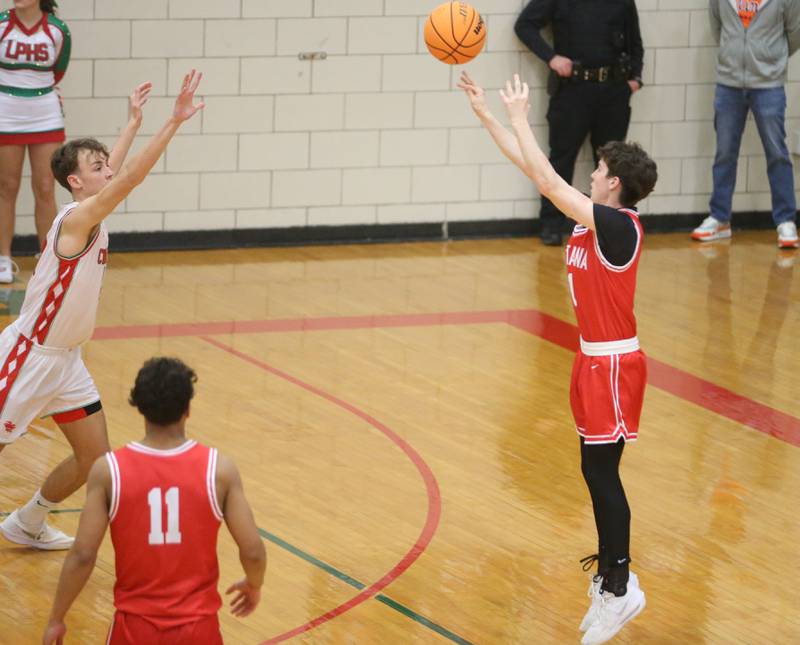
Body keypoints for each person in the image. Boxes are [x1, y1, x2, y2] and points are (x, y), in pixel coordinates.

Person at [459, 71, 656, 645]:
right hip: (591, 359)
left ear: (613, 183)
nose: (589, 173)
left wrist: (522, 117)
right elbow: (534, 170)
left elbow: (547, 183)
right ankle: (614, 584)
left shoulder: (618, 226)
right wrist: (487, 116)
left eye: (597, 169)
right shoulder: (591, 219)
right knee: (593, 471)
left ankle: (621, 589)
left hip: (616, 365)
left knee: (603, 473)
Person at [0, 71, 202, 551]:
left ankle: (27, 523)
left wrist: (133, 121)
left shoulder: (90, 206)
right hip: (30, 357)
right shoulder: (76, 218)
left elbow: (117, 168)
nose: (108, 169)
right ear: (76, 181)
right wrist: (171, 122)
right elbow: (129, 176)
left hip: (67, 361)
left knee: (94, 460)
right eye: (98, 166)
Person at [42, 357, 267, 644]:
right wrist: (253, 583)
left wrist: (56, 619)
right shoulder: (218, 470)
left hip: (134, 628)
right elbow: (253, 551)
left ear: (139, 407)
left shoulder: (110, 471)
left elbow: (83, 555)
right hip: (198, 629)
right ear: (188, 408)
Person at [514, 0, 643, 246]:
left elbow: (635, 40)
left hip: (613, 90)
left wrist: (635, 78)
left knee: (613, 165)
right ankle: (552, 224)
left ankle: (610, 224)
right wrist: (551, 58)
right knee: (561, 158)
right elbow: (524, 26)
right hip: (573, 90)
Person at [691, 0, 800, 248]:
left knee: (777, 154)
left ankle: (786, 221)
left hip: (769, 85)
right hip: (728, 84)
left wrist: (771, 59)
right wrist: (733, 56)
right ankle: (720, 219)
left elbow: (795, 33)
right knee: (724, 154)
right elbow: (717, 27)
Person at [0, 0, 71, 281]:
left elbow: (58, 71)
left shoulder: (57, 29)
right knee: (7, 186)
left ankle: (47, 256)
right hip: (6, 112)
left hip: (45, 113)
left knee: (44, 187)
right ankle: (3, 257)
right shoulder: (3, 23)